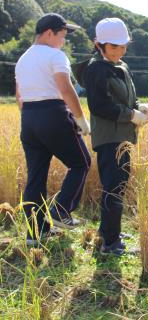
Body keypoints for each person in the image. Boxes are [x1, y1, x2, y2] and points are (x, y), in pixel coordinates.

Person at [15, 13, 91, 246]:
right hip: (54, 113)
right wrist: (80, 119)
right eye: (62, 35)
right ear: (49, 33)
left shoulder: (23, 59)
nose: (63, 41)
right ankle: (61, 211)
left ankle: (35, 234)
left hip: (28, 118)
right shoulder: (55, 55)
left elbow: (19, 96)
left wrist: (34, 121)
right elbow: (66, 89)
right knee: (81, 162)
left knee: (35, 177)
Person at [82, 17, 148, 256]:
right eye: (114, 46)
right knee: (114, 187)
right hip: (109, 138)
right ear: (98, 44)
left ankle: (108, 232)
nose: (120, 51)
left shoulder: (121, 67)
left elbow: (128, 99)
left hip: (123, 137)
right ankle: (110, 244)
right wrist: (131, 114)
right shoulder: (96, 69)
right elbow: (99, 106)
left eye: (123, 46)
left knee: (118, 186)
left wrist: (141, 108)